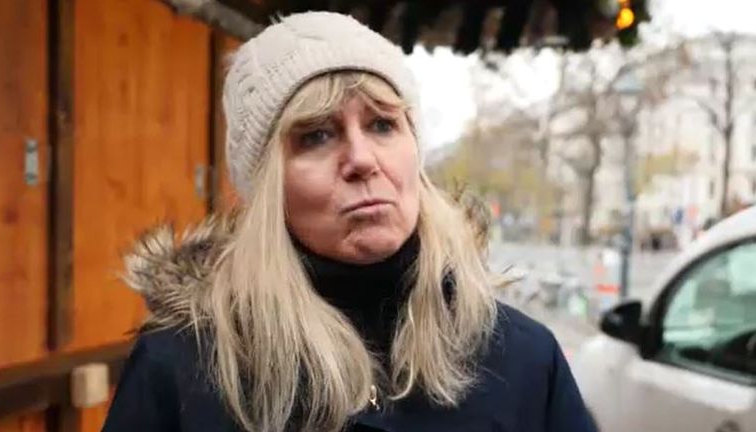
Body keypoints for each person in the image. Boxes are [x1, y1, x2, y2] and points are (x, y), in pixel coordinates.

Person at [102, 11, 596, 432]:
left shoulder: (524, 360)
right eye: (316, 136)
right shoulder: (182, 371)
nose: (361, 158)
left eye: (382, 124)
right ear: (267, 186)